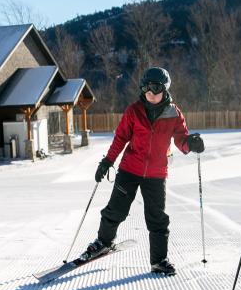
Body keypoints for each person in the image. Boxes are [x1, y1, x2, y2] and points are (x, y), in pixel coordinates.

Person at [79, 67, 204, 276]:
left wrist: (190, 144)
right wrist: (107, 161)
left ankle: (159, 260)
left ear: (164, 89)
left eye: (155, 89)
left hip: (156, 174)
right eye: (146, 90)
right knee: (116, 209)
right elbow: (120, 138)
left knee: (157, 217)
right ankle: (103, 242)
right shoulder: (134, 111)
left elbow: (181, 140)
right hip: (129, 168)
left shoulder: (174, 113)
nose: (151, 94)